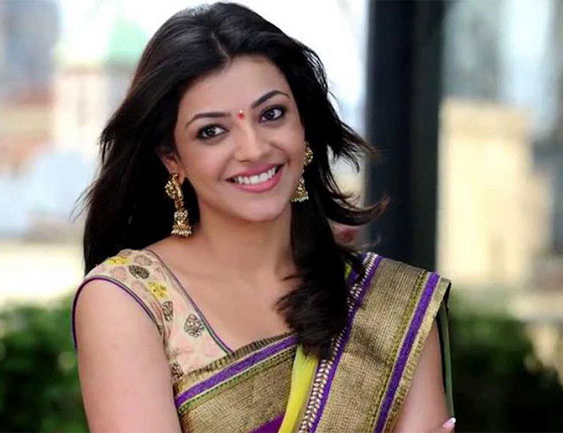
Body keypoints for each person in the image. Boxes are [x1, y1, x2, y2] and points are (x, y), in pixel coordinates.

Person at [71, 3, 455, 432]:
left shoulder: (390, 308)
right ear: (172, 157)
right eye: (212, 131)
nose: (253, 149)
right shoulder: (128, 301)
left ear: (303, 125)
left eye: (272, 114)